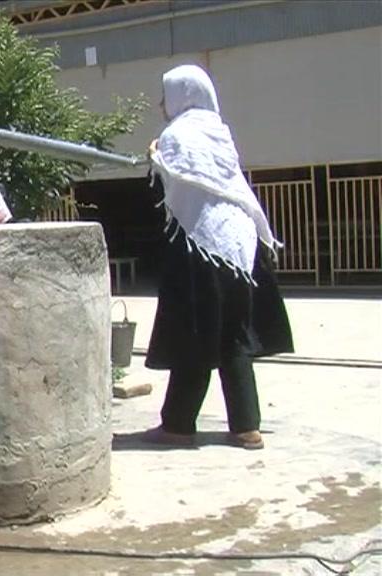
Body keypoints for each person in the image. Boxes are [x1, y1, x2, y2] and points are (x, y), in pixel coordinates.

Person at [143, 64, 293, 450]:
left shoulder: (176, 134)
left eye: (166, 95)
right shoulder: (219, 132)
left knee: (196, 334)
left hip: (201, 246)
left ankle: (178, 425)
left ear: (184, 94)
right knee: (234, 337)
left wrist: (154, 156)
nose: (162, 103)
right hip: (241, 248)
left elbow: (173, 182)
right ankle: (247, 427)